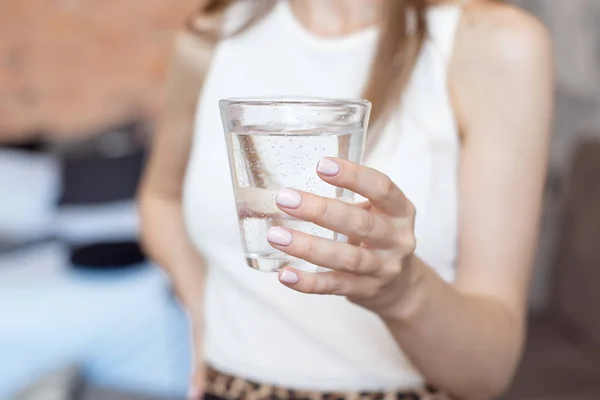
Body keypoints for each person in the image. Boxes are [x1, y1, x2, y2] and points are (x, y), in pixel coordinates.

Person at [138, 0, 553, 398]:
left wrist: (403, 292)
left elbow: (489, 371)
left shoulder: (496, 43)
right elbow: (161, 198)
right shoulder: (214, 34)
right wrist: (204, 316)